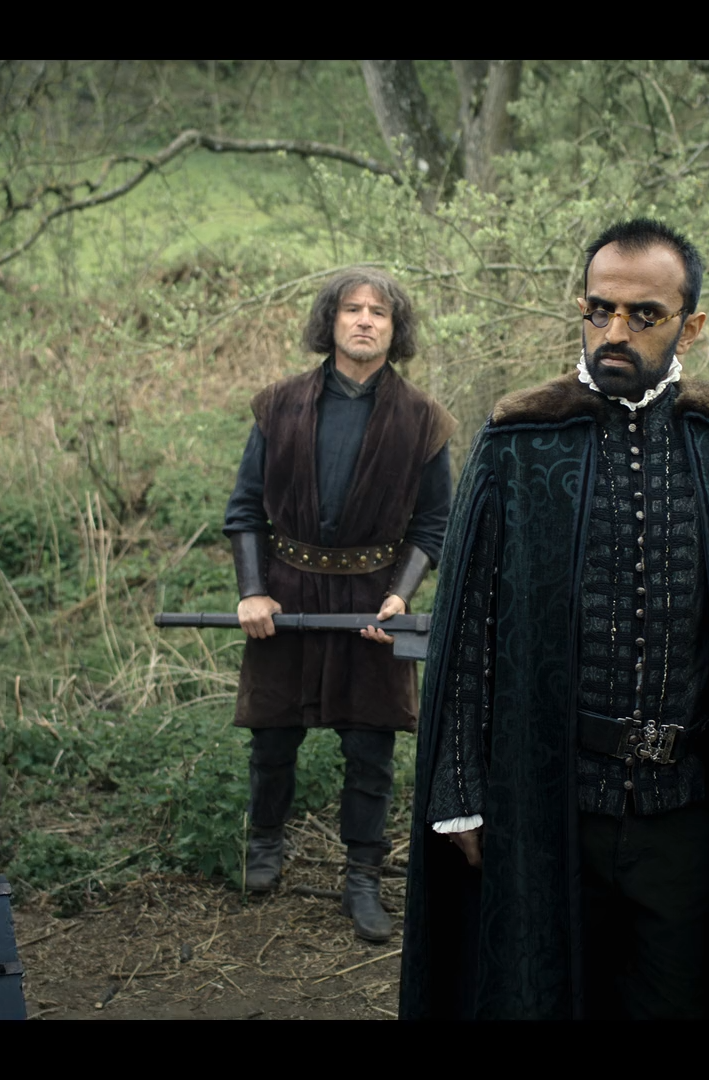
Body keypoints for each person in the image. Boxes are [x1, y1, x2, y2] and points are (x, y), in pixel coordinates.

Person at [401, 219, 709, 1020]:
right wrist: (459, 784)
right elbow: (468, 628)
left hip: (690, 814)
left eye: (643, 314)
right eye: (599, 309)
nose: (615, 331)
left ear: (692, 324)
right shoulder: (521, 445)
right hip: (546, 802)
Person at [222, 268, 454, 942]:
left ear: (394, 329)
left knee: (370, 746)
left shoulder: (424, 419)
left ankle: (362, 877)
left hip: (373, 599)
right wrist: (252, 590)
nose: (364, 321)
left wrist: (399, 596)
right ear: (331, 321)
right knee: (272, 735)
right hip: (287, 589)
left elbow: (433, 525)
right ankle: (265, 843)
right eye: (352, 309)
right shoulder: (278, 405)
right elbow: (245, 509)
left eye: (378, 312)